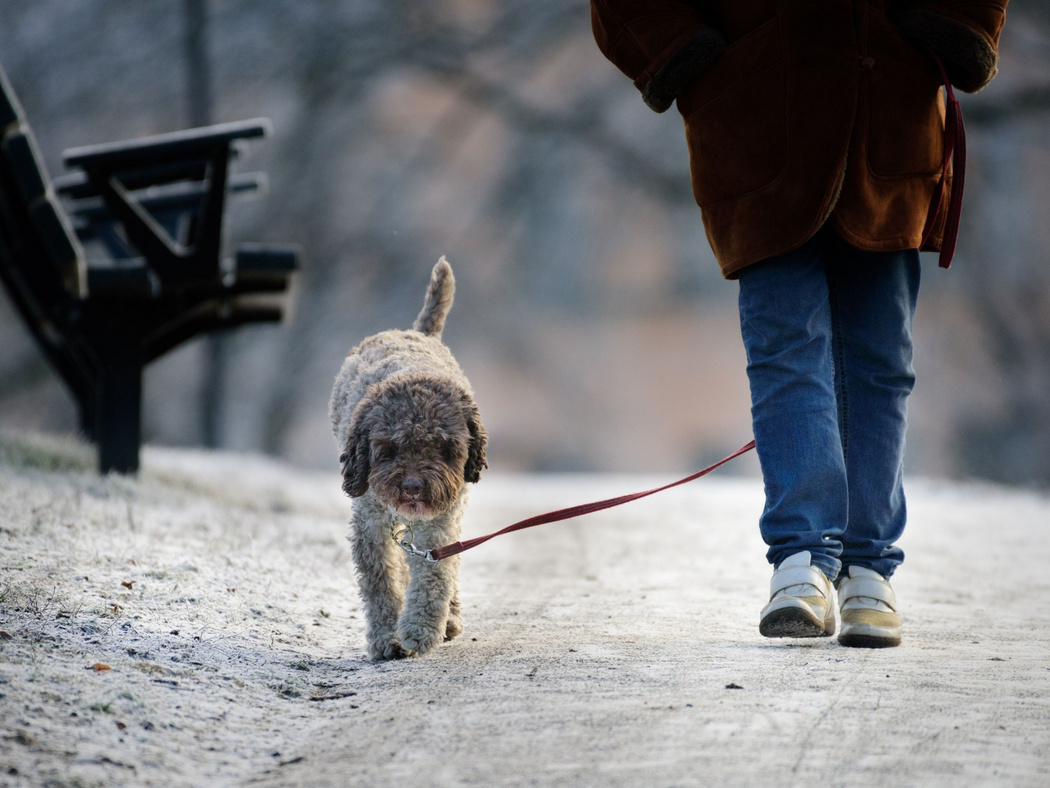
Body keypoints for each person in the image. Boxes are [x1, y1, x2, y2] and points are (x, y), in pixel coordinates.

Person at [590, 0, 1009, 647]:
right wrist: (685, 55)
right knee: (788, 348)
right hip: (754, 127)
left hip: (890, 115)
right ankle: (803, 559)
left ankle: (869, 566)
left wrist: (953, 22)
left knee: (881, 358)